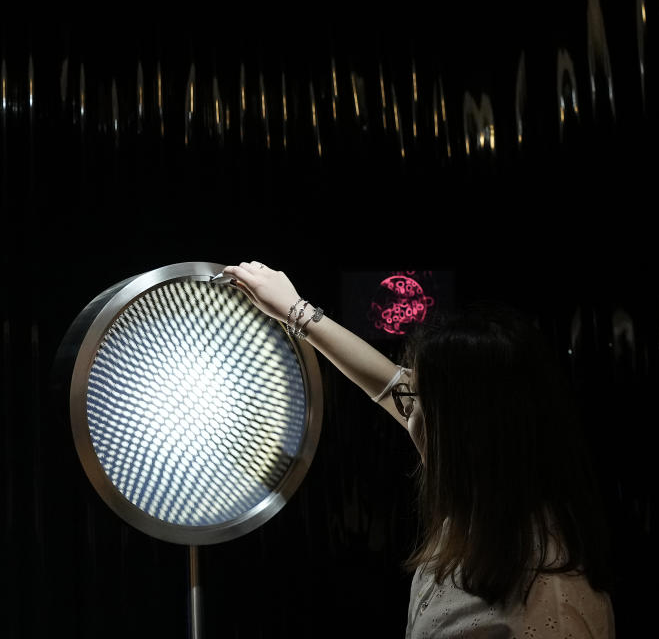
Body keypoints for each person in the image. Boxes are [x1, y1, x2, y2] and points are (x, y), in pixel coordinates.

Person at [220, 261, 615, 639]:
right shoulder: (488, 515)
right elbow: (387, 384)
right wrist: (293, 310)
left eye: (416, 396)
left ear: (463, 430)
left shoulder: (551, 603)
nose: (403, 404)